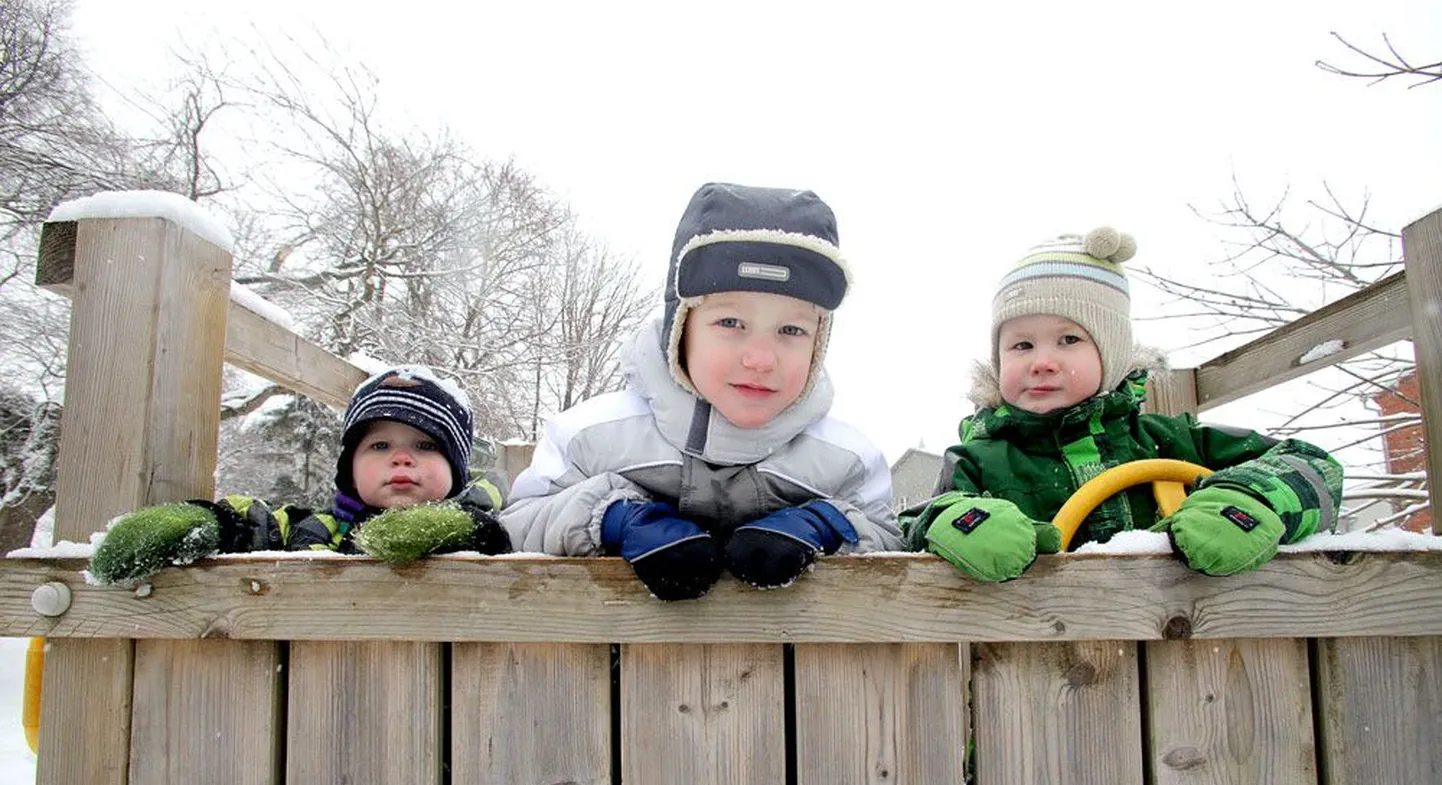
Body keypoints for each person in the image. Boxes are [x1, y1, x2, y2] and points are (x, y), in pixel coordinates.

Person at [500, 181, 903, 600]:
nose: (761, 358)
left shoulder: (845, 460)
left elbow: (892, 541)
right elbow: (518, 524)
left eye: (791, 330)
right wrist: (612, 518)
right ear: (681, 327)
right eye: (731, 324)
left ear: (819, 342)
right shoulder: (592, 437)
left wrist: (826, 523)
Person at [901, 227, 1343, 581]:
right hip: (1033, 660)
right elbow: (919, 525)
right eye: (1021, 345)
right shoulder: (980, 460)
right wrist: (963, 521)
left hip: (1189, 644)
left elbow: (1315, 469)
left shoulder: (1171, 441)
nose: (1042, 362)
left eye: (1069, 339)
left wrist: (1247, 500)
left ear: (1111, 355)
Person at [89, 366, 510, 585]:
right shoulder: (314, 531)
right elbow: (255, 522)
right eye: (379, 446)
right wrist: (209, 522)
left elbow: (500, 544)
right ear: (349, 469)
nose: (401, 459)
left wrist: (458, 530)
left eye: (425, 445)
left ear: (456, 468)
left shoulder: (485, 523)